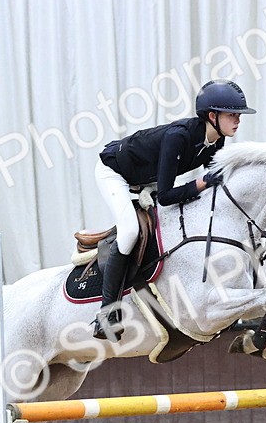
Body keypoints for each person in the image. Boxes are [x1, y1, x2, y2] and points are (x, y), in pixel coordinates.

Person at [91, 79, 256, 339]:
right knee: (130, 231)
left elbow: (209, 189)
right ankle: (107, 314)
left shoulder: (217, 141)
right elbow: (167, 196)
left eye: (238, 115)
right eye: (232, 115)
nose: (238, 120)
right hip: (115, 173)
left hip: (147, 179)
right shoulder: (177, 137)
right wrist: (201, 183)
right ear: (212, 116)